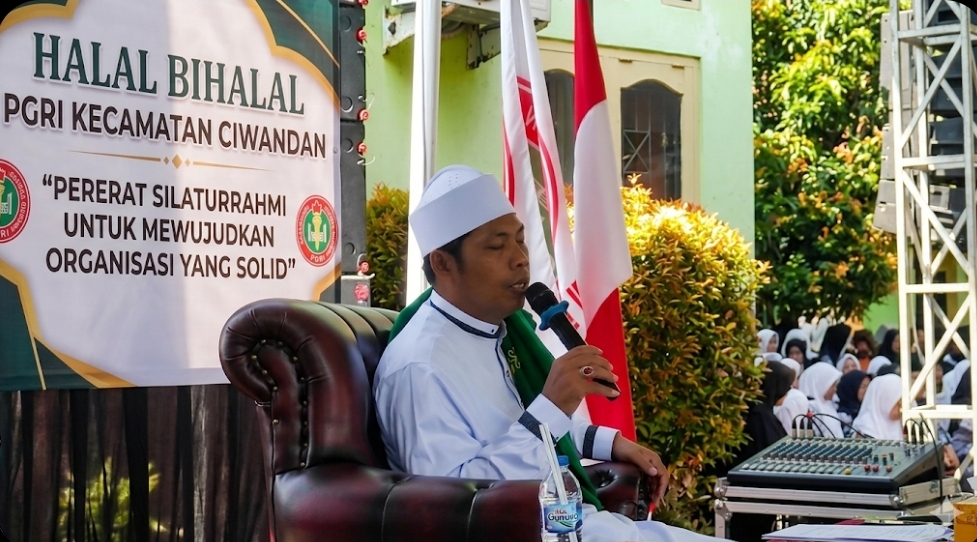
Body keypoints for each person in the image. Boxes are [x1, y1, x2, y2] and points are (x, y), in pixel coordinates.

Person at [373, 165, 716, 542]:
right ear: (443, 263)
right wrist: (552, 406)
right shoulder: (419, 367)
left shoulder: (501, 331)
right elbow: (453, 507)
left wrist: (609, 442)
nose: (520, 258)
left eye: (519, 240)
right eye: (497, 246)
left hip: (572, 525)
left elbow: (518, 428)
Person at [798, 362, 844, 438]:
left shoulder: (828, 404)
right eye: (832, 385)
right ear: (821, 385)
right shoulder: (811, 409)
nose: (835, 389)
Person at [852, 374, 903, 440]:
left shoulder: (900, 423)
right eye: (898, 403)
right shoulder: (865, 431)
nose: (902, 408)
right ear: (884, 401)